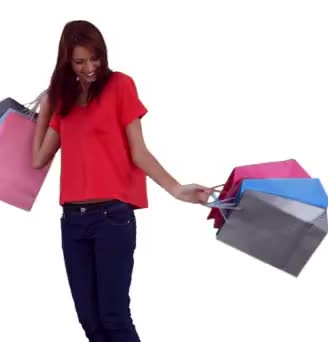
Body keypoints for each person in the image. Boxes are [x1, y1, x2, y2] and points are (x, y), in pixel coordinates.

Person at [31, 20, 214, 342]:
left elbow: (139, 152)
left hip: (111, 218)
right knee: (90, 321)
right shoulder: (65, 100)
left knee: (113, 317)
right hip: (73, 221)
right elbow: (37, 159)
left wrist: (176, 189)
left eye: (95, 58)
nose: (89, 67)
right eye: (79, 61)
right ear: (67, 61)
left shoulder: (120, 85)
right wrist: (47, 107)